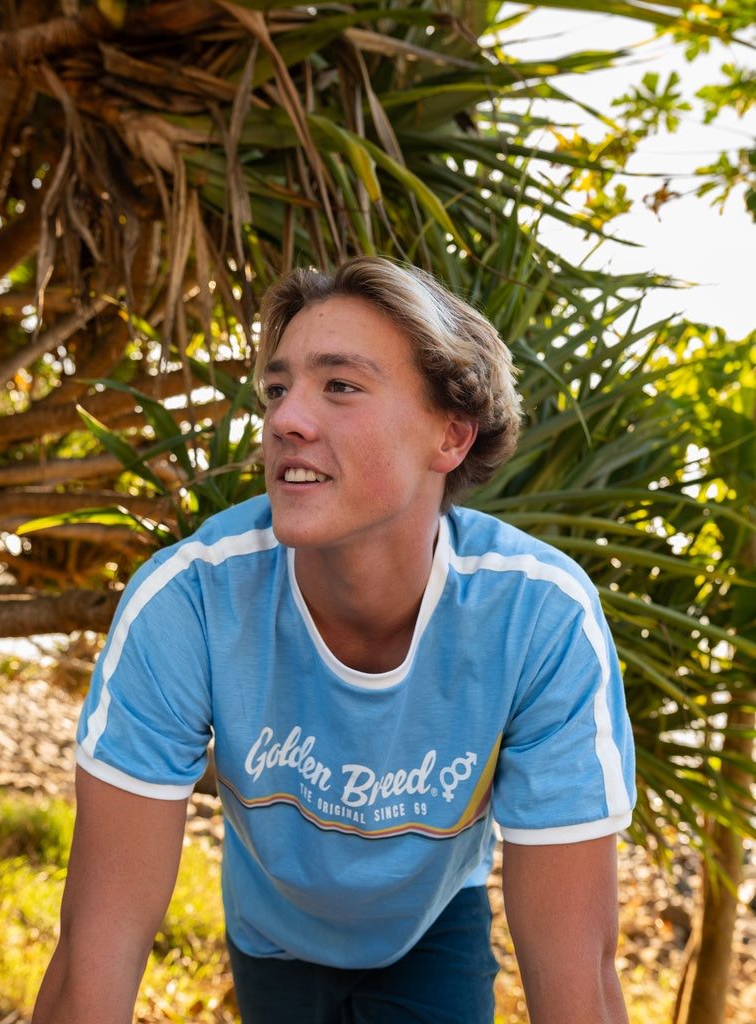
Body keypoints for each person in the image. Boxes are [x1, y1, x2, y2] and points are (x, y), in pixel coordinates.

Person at [33, 255, 636, 1024]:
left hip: (430, 928)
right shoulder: (189, 601)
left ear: (450, 436)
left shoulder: (539, 620)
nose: (285, 418)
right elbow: (95, 946)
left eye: (340, 385)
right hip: (270, 928)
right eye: (278, 388)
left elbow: (579, 982)